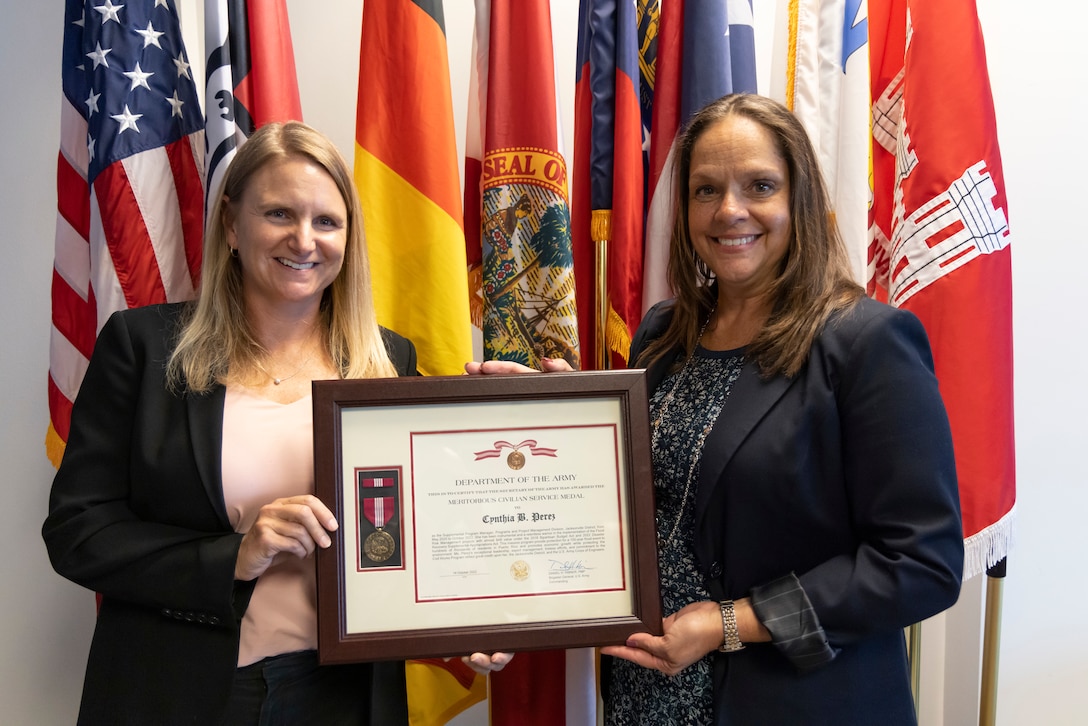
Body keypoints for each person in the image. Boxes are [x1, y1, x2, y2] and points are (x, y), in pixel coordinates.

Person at [469, 93, 963, 725]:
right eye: (706, 190)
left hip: (794, 704)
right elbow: (640, 502)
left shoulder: (866, 344)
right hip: (646, 695)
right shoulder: (662, 335)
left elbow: (921, 563)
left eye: (759, 185)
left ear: (799, 199)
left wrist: (727, 624)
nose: (730, 210)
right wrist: (565, 420)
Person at [43, 121, 509, 725]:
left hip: (345, 697)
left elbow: (424, 536)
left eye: (326, 221)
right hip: (181, 695)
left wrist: (469, 615)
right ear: (232, 226)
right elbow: (77, 533)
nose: (304, 240)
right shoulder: (143, 348)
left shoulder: (388, 362)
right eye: (279, 214)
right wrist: (232, 557)